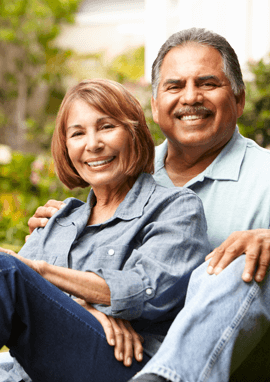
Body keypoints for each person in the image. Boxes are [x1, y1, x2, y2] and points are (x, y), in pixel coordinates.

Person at [24, 28, 270, 381]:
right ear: (154, 105)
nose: (190, 97)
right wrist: (64, 245)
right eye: (174, 86)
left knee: (238, 259)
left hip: (249, 365)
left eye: (207, 83)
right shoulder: (122, 170)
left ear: (239, 99)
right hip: (128, 356)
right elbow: (104, 276)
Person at [0, 78, 211, 382]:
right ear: (66, 147)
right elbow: (24, 305)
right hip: (35, 371)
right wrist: (85, 308)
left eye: (107, 127)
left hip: (125, 363)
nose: (92, 144)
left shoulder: (175, 208)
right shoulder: (59, 220)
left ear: (134, 133)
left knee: (7, 269)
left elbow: (149, 290)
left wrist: (41, 272)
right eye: (77, 133)